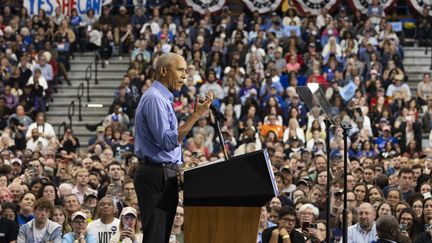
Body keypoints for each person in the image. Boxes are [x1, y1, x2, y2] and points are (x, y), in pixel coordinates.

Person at [133, 52, 213, 243]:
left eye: (186, 70)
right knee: (156, 237)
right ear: (163, 70)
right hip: (156, 175)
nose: (185, 75)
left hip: (163, 174)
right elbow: (167, 141)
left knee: (160, 236)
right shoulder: (155, 98)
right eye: (180, 70)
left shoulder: (162, 98)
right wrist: (196, 115)